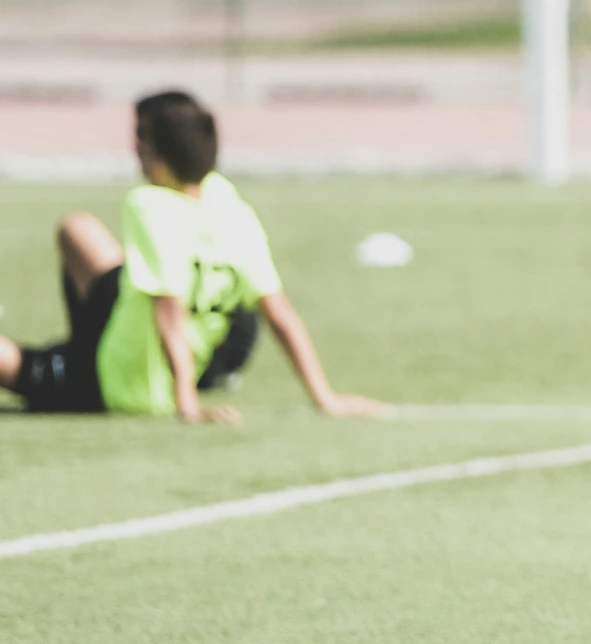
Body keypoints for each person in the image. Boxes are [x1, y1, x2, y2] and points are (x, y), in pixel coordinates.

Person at [0, 91, 379, 423]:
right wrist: (324, 397)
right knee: (77, 229)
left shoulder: (149, 205)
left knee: (19, 365)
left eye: (141, 140)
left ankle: (84, 356)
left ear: (159, 158)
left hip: (122, 381)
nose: (136, 150)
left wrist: (186, 403)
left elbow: (169, 308)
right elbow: (278, 312)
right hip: (185, 340)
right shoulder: (227, 202)